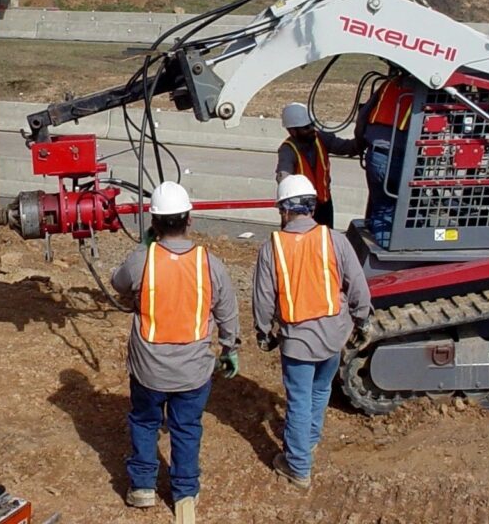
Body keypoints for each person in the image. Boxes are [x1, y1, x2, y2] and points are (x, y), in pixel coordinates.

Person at [111, 181, 240, 523]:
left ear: (153, 223)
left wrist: (143, 251)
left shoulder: (143, 259)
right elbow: (227, 310)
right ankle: (184, 495)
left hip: (148, 369)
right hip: (193, 371)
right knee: (186, 428)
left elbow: (119, 283)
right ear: (189, 220)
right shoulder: (209, 263)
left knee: (144, 421)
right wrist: (229, 346)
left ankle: (142, 487)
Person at [253, 175, 371, 490]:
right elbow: (357, 284)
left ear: (283, 210)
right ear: (312, 205)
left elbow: (263, 298)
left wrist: (264, 332)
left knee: (299, 399)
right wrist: (361, 320)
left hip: (298, 342)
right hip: (334, 334)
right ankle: (310, 439)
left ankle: (298, 466)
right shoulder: (334, 239)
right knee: (320, 391)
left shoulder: (273, 248)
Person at [276, 102, 360, 228]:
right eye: (306, 128)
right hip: (301, 209)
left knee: (325, 240)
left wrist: (364, 138)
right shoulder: (288, 150)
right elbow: (284, 175)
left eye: (312, 125)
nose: (312, 130)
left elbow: (347, 148)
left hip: (324, 204)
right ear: (292, 131)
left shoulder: (321, 139)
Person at [355, 72, 413, 246]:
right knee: (391, 212)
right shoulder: (421, 92)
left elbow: (363, 116)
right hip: (397, 159)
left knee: (381, 207)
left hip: (376, 156)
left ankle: (378, 239)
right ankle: (387, 250)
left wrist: (360, 144)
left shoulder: (388, 85)